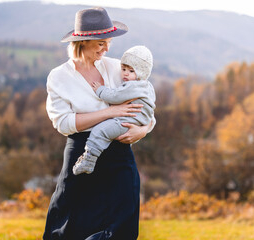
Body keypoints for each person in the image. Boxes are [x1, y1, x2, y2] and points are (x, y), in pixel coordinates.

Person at [43, 7, 155, 240]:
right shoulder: (59, 76)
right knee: (72, 222)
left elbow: (145, 104)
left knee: (121, 225)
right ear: (83, 42)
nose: (106, 49)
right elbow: (64, 123)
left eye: (108, 43)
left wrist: (143, 130)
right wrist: (111, 112)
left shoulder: (116, 68)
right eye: (101, 43)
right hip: (82, 154)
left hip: (119, 155)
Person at [73, 45, 156, 175]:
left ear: (141, 73)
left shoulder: (133, 86)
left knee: (99, 131)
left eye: (131, 71)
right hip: (136, 121)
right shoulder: (148, 87)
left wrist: (100, 89)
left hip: (126, 121)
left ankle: (88, 160)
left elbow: (114, 96)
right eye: (123, 69)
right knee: (107, 134)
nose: (126, 73)